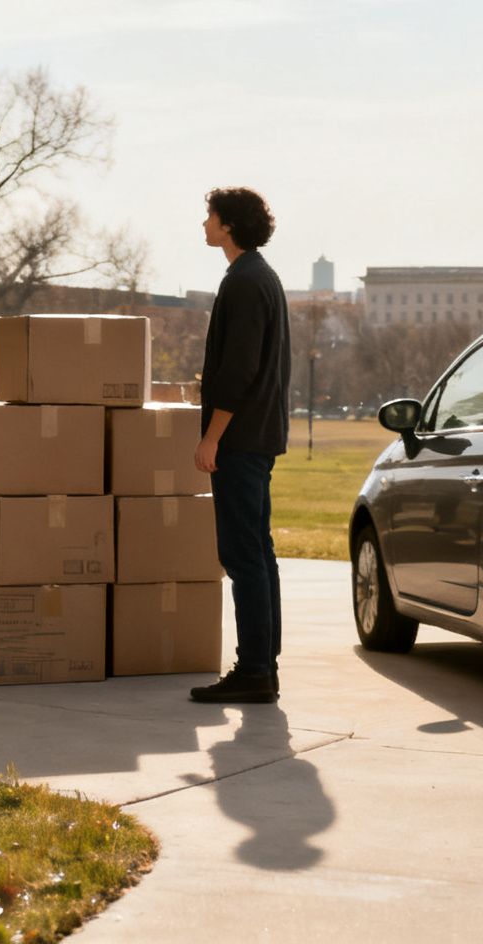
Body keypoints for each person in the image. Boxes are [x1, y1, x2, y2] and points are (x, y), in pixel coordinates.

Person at [189, 187, 291, 705]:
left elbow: (241, 369)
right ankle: (262, 666)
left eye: (210, 216)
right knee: (258, 552)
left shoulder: (247, 281)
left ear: (228, 225)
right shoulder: (257, 277)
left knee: (243, 554)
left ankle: (254, 669)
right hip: (257, 436)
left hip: (242, 440)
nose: (204, 223)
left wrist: (212, 437)